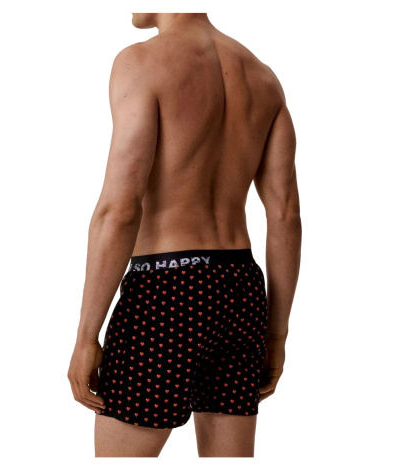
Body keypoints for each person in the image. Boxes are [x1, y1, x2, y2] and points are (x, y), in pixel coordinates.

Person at [68, 13, 301, 458]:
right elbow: (286, 215)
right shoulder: (262, 77)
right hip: (241, 291)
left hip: (167, 290)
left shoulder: (141, 62)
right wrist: (276, 336)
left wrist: (85, 337)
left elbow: (120, 209)